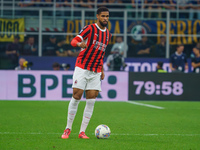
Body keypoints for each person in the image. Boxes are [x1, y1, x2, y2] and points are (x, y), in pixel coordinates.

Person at [61, 7, 112, 139]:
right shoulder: (90, 29)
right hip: (82, 67)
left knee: (91, 100)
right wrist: (79, 44)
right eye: (103, 16)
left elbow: (101, 53)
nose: (105, 18)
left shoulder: (108, 35)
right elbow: (73, 41)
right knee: (77, 96)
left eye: (107, 16)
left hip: (95, 70)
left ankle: (82, 132)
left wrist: (101, 69)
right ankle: (68, 128)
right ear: (97, 16)